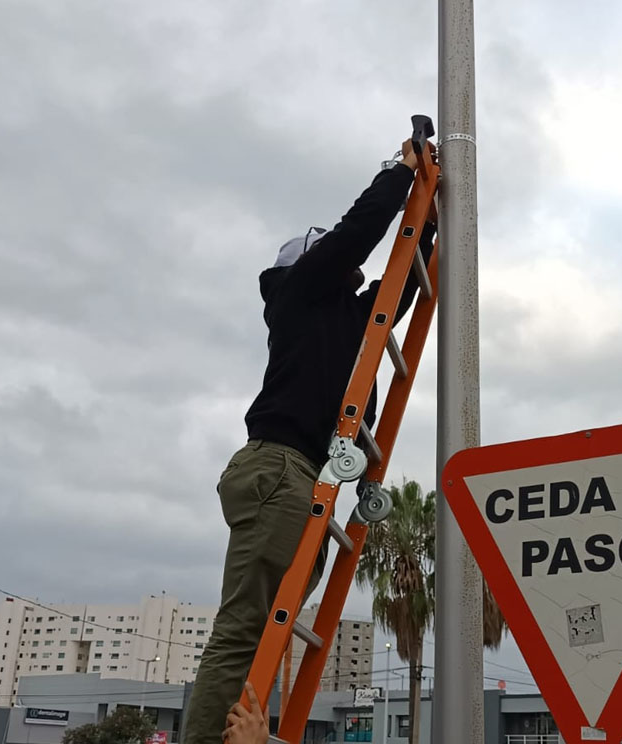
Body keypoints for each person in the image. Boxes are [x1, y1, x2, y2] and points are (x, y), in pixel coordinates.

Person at [181, 139, 436, 744]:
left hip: (309, 478)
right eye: (325, 253)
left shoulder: (348, 318)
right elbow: (359, 233)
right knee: (247, 625)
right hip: (280, 469)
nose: (339, 259)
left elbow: (399, 288)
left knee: (271, 625)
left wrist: (428, 221)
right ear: (307, 264)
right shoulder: (298, 295)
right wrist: (399, 174)